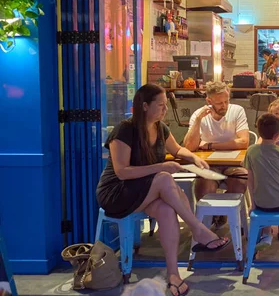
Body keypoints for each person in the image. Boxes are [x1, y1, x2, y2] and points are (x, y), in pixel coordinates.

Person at [97, 84, 229, 296]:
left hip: (145, 191)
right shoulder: (125, 130)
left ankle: (174, 275)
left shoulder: (160, 128)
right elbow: (121, 172)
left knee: (167, 211)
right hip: (117, 193)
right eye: (160, 105)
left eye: (166, 105)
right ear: (145, 106)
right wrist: (161, 167)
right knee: (164, 178)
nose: (164, 110)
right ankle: (198, 229)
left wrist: (193, 157)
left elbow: (177, 149)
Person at [183, 81, 250, 219]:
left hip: (233, 164)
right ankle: (210, 221)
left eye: (226, 101)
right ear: (209, 100)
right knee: (204, 186)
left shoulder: (236, 111)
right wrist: (198, 121)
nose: (224, 106)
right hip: (209, 165)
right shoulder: (199, 115)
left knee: (241, 180)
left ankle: (225, 215)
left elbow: (244, 142)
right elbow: (189, 147)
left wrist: (210, 145)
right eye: (219, 103)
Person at [244, 113, 279, 251]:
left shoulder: (251, 151)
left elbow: (250, 180)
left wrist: (253, 204)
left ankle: (266, 235)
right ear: (277, 135)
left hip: (260, 205)